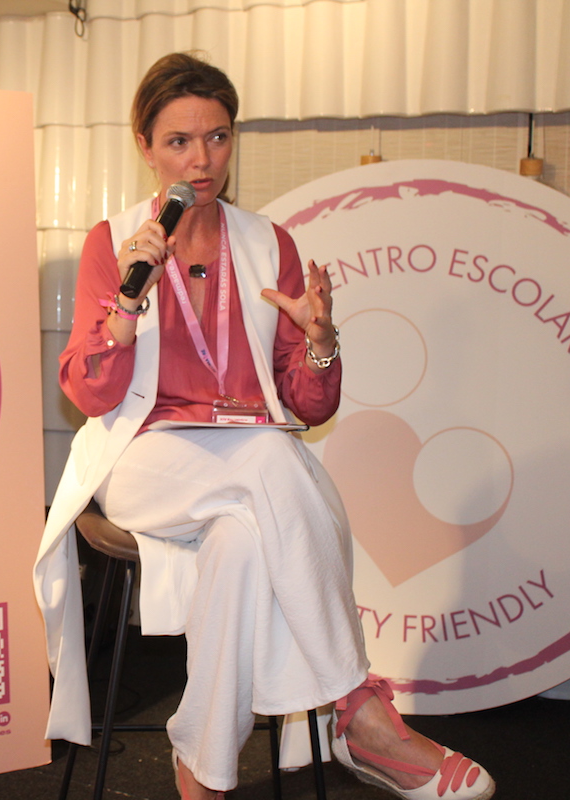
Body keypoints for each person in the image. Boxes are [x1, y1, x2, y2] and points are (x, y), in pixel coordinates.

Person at [33, 52, 495, 800]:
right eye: (180, 141)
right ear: (145, 147)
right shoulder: (111, 241)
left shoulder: (268, 242)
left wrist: (319, 341)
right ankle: (358, 710)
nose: (202, 160)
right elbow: (90, 393)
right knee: (272, 463)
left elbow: (307, 406)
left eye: (218, 137)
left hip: (244, 463)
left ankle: (203, 768)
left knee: (244, 540)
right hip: (141, 458)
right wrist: (127, 300)